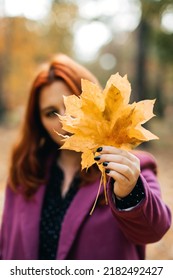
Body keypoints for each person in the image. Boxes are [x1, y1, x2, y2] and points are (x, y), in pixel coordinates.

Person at [0, 53, 171, 260]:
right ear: (38, 123)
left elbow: (153, 230)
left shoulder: (131, 169)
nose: (65, 120)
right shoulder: (25, 174)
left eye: (74, 105)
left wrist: (129, 192)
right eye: (50, 112)